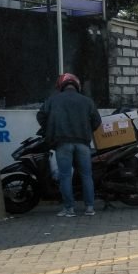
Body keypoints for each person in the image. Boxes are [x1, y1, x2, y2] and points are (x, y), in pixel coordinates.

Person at [37, 73, 102, 217]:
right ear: (77, 86)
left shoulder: (53, 100)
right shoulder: (87, 101)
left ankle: (69, 209)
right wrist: (86, 130)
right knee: (86, 175)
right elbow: (97, 121)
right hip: (83, 143)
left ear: (61, 86)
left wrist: (50, 128)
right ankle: (89, 208)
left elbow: (41, 116)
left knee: (65, 176)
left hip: (63, 143)